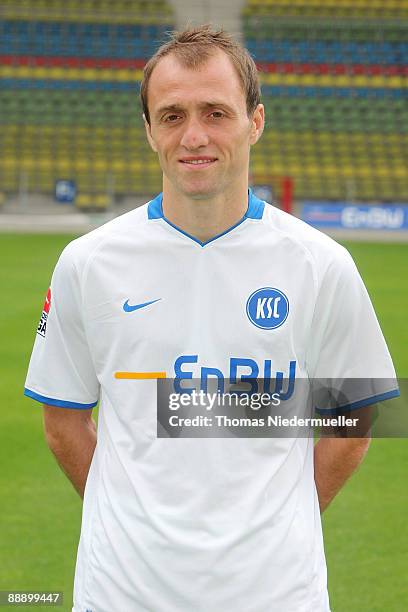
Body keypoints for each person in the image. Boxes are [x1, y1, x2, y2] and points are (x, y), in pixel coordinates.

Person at [25, 25, 399, 612]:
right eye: (171, 115)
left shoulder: (320, 264)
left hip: (278, 595)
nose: (193, 135)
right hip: (122, 594)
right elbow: (62, 422)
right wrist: (127, 517)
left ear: (256, 121)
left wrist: (286, 517)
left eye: (215, 112)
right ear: (149, 130)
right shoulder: (88, 263)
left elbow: (357, 416)